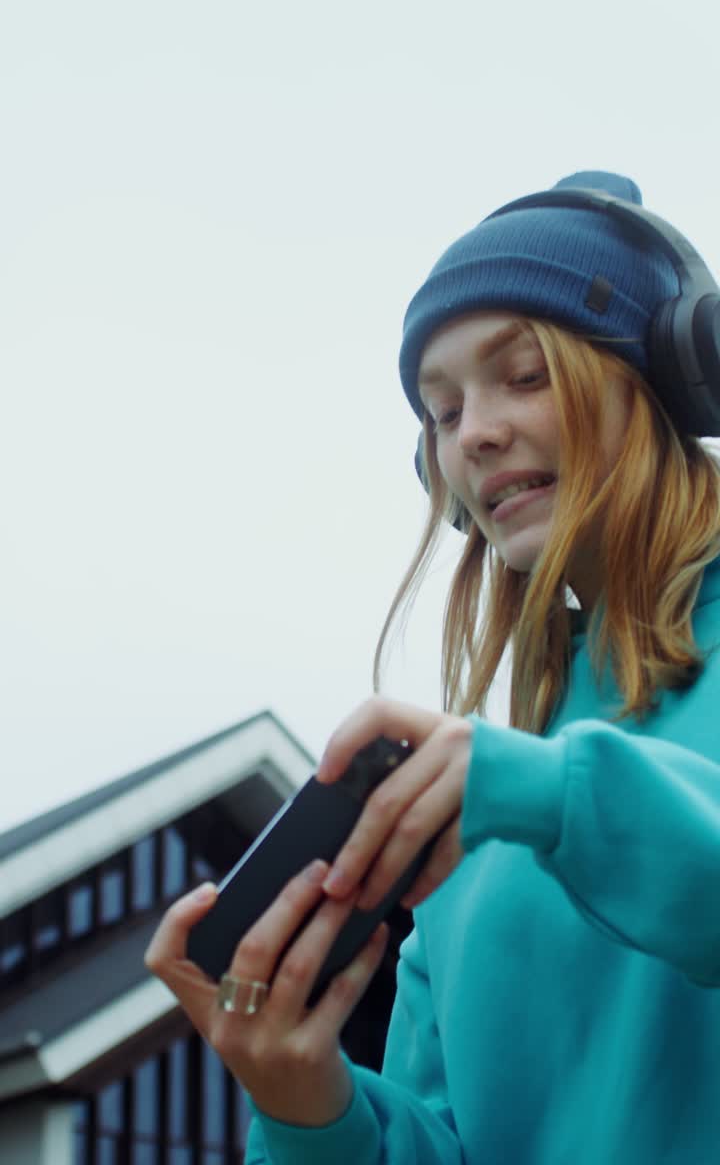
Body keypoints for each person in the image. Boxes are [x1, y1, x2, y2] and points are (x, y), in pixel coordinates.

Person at [145, 170, 720, 1164]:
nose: (476, 432)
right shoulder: (472, 823)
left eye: (525, 375)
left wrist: (538, 787)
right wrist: (306, 1103)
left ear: (669, 376)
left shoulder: (503, 786)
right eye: (441, 411)